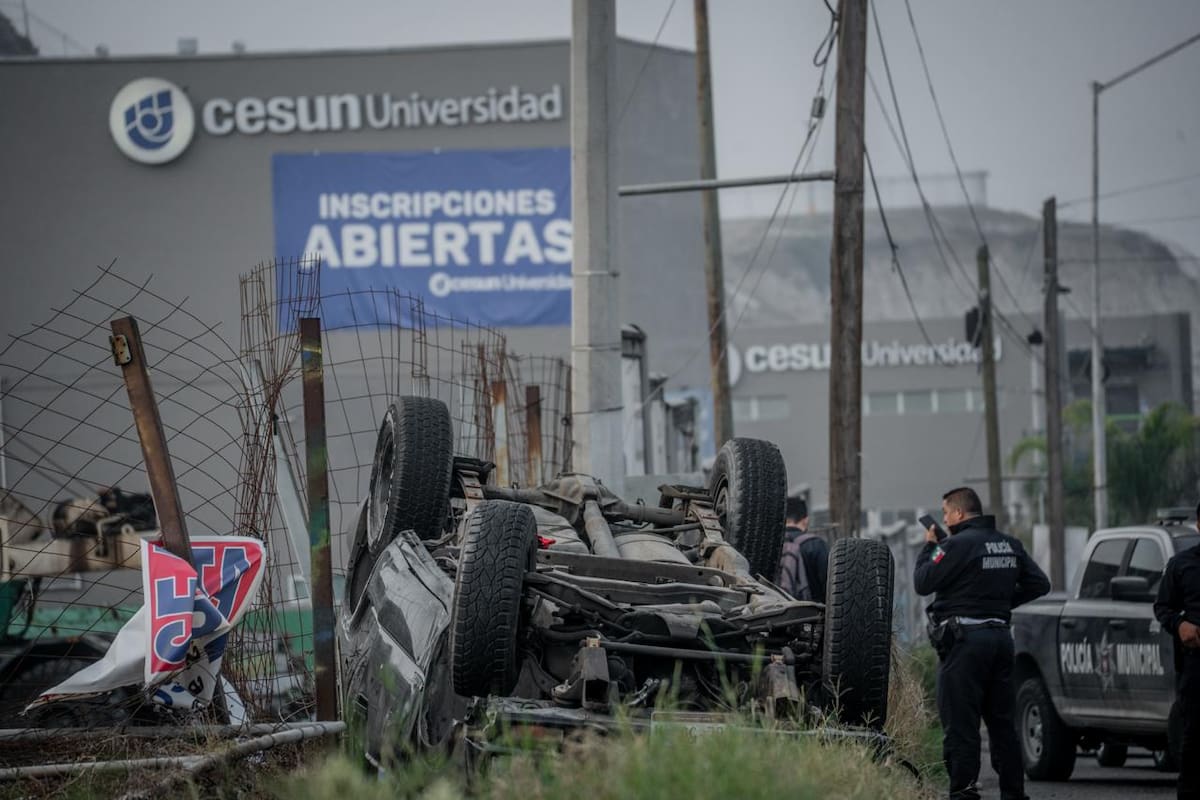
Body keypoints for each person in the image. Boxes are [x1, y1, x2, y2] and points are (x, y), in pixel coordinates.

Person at [914, 486, 1050, 800]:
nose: (945, 519)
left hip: (965, 645)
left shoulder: (955, 546)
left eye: (947, 513)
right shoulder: (1009, 544)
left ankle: (963, 792)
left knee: (962, 724)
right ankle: (1014, 794)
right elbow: (1040, 583)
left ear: (959, 514)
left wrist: (930, 547)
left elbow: (922, 581)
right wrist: (1000, 605)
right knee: (1003, 724)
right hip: (1001, 641)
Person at [1153, 500, 1200, 800]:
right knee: (1194, 739)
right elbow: (1162, 607)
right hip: (1196, 666)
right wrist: (1180, 623)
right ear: (1199, 524)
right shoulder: (1182, 564)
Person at [778, 496, 828, 602]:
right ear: (806, 520)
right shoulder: (816, 544)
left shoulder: (770, 546)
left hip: (774, 614)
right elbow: (830, 586)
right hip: (812, 614)